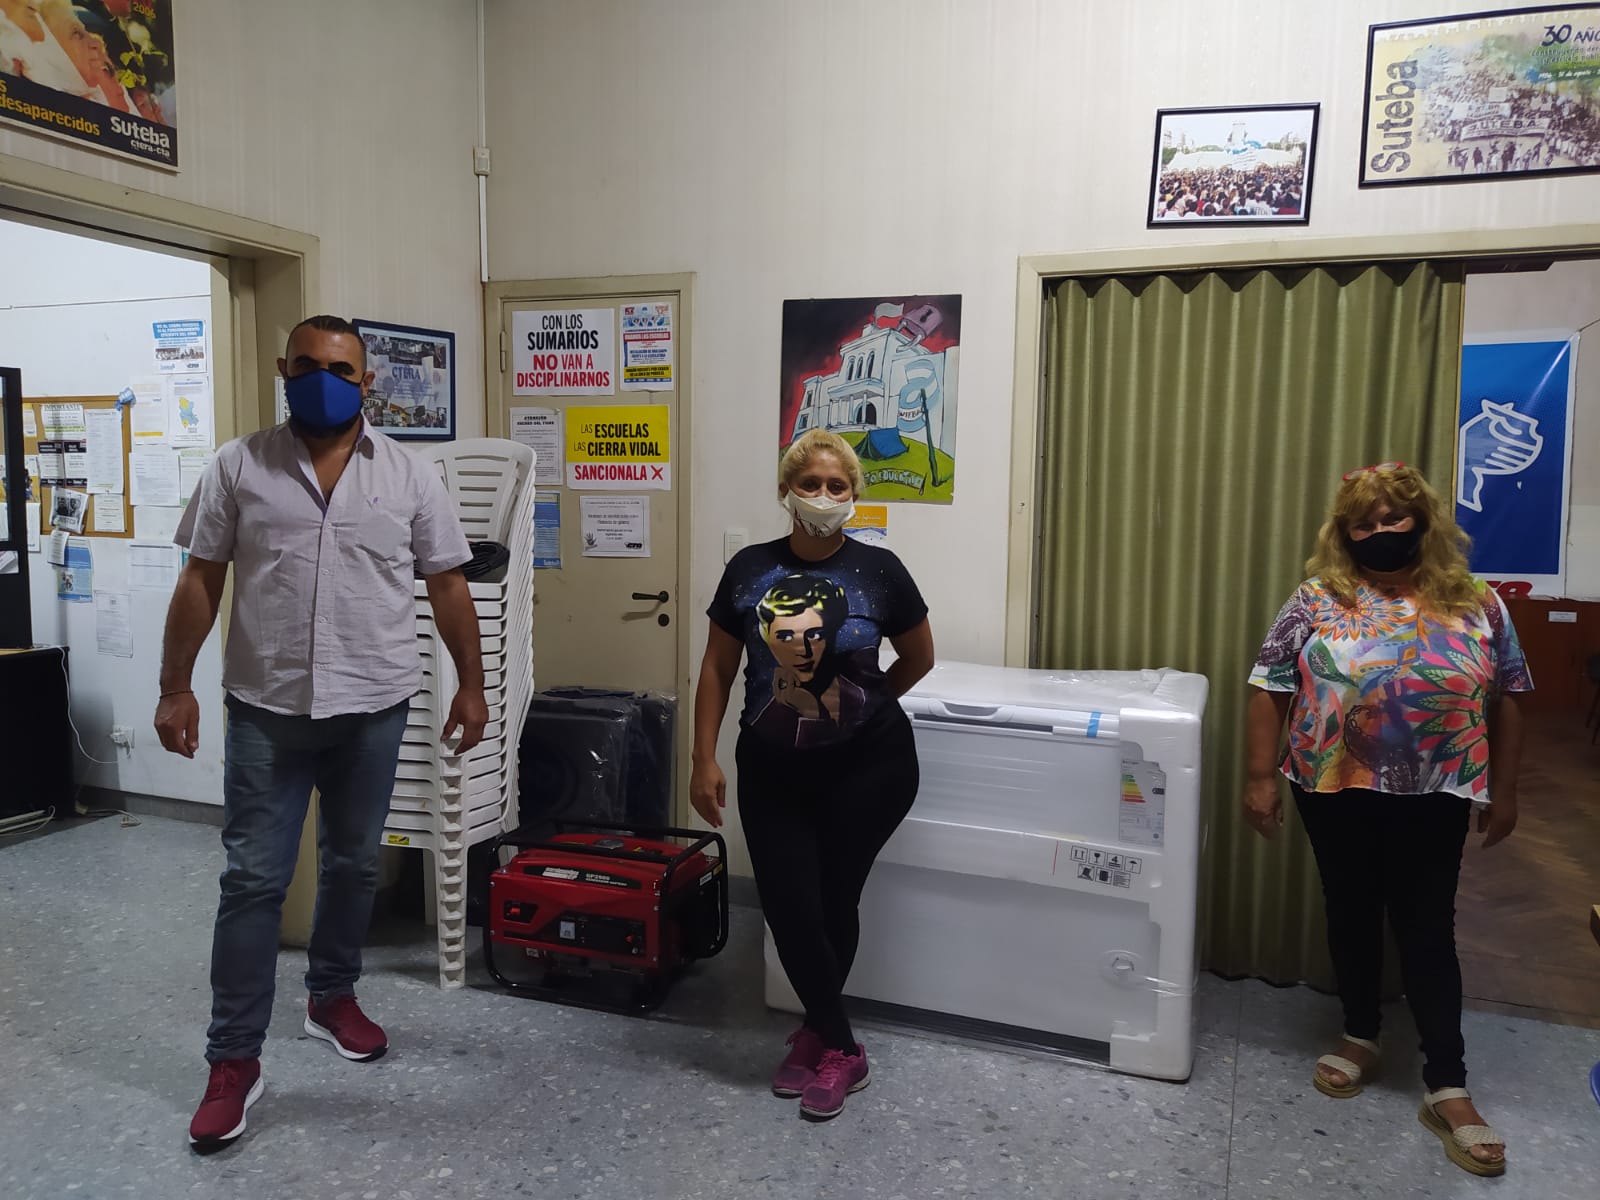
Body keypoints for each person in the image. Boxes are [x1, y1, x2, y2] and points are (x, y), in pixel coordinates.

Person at [155, 315, 488, 1149]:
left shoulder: (408, 475)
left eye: (341, 369)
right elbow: (201, 577)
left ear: (367, 381)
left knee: (354, 864)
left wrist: (473, 685)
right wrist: (174, 687)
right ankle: (233, 1060)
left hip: (374, 707)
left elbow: (448, 585)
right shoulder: (239, 465)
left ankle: (332, 996)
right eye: (307, 365)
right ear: (284, 369)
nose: (324, 380)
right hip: (267, 710)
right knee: (252, 882)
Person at [1243, 462, 1529, 1179]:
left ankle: (1447, 1083)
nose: (1379, 531)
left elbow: (1509, 697)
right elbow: (1269, 685)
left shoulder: (1478, 602)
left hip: (1438, 791)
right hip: (1332, 784)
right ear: (1344, 533)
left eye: (1393, 517)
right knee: (1350, 908)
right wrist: (1258, 777)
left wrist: (1505, 790)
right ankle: (1361, 1033)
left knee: (1426, 924)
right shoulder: (1317, 598)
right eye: (1362, 522)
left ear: (1422, 521)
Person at [692, 429, 934, 1121]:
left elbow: (919, 657)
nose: (824, 496)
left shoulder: (881, 570)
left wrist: (866, 703)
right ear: (786, 491)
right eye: (810, 484)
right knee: (789, 906)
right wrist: (702, 758)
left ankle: (820, 1036)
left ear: (854, 495)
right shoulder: (749, 568)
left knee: (833, 902)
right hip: (772, 768)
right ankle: (841, 1045)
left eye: (837, 486)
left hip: (871, 768)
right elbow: (717, 668)